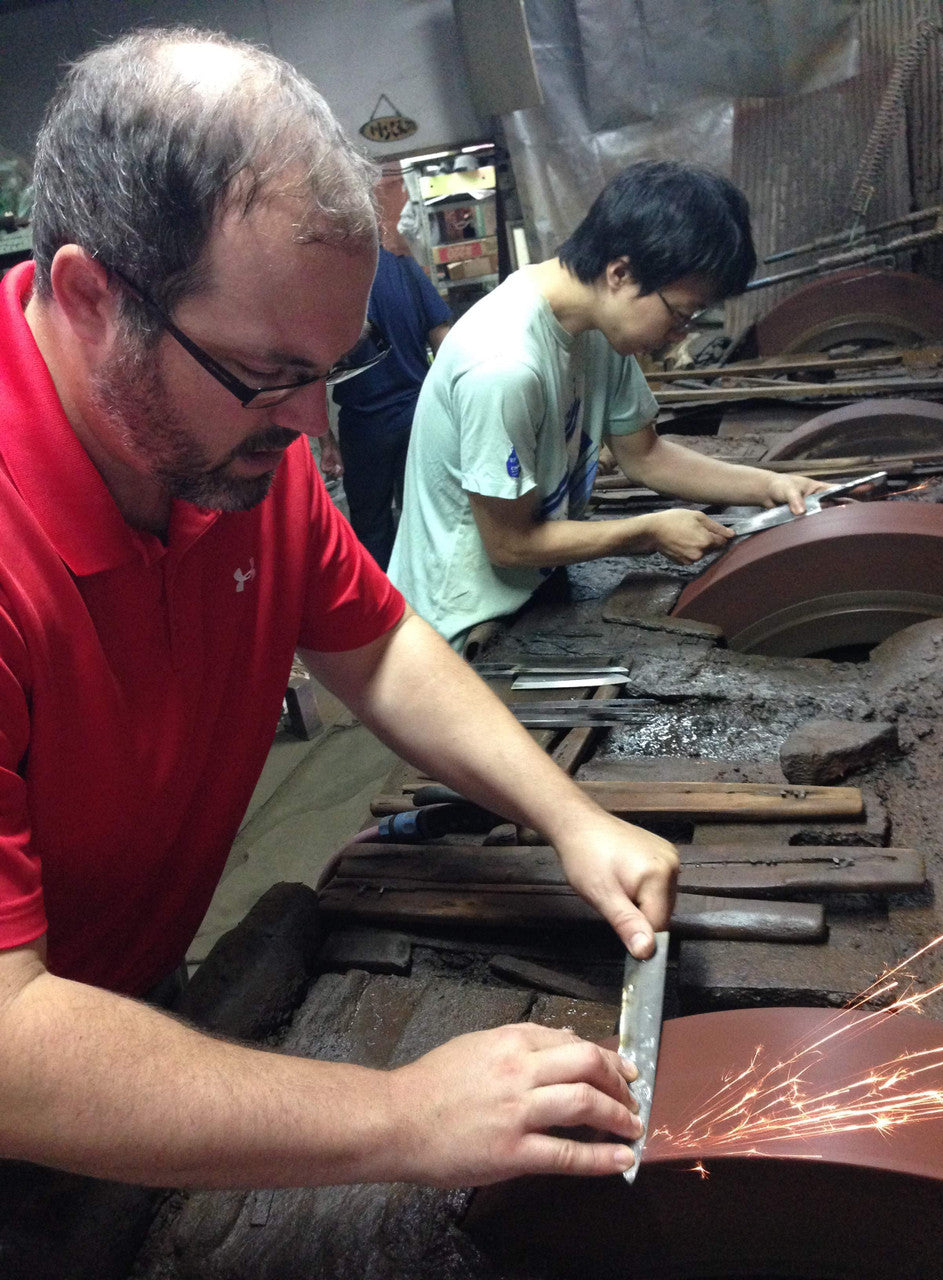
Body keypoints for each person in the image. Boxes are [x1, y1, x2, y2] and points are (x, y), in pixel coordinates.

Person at [0, 27, 678, 1192]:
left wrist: (568, 816)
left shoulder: (238, 451)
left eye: (333, 369)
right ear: (87, 295)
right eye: (272, 376)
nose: (313, 424)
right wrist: (404, 1113)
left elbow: (378, 645)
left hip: (117, 1002)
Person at [388, 161, 828, 649]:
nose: (680, 333)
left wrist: (771, 485)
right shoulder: (504, 366)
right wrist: (647, 532)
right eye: (681, 315)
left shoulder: (595, 327)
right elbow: (508, 544)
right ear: (620, 272)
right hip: (458, 625)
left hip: (530, 590)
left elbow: (646, 456)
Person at [332, 244, 451, 568]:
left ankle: (383, 608)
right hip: (419, 415)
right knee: (427, 520)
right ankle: (433, 610)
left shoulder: (326, 277)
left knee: (371, 528)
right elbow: (444, 340)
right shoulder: (403, 267)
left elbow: (308, 365)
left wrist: (324, 440)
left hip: (363, 430)